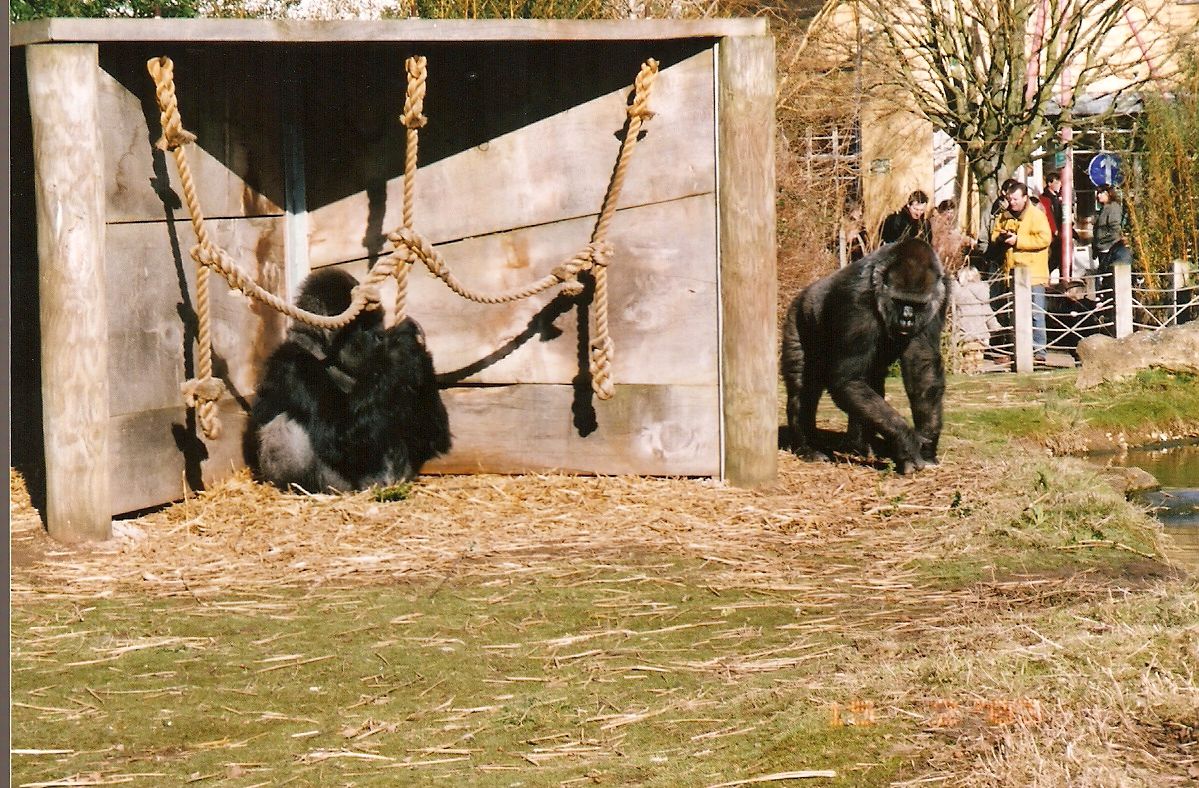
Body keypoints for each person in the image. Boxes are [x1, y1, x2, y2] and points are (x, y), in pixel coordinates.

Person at [991, 181, 1052, 362]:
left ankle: (1039, 351)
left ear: (1025, 198)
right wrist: (1001, 237)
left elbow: (1044, 239)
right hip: (1012, 271)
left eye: (1016, 199)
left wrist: (1018, 240)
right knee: (1013, 312)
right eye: (1010, 199)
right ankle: (1016, 348)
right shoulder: (1005, 215)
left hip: (1033, 273)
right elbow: (994, 234)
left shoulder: (1036, 216)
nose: (1012, 203)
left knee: (1036, 313)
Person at [952, 264, 1002, 372]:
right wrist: (994, 325)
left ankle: (969, 372)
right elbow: (988, 313)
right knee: (978, 355)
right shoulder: (983, 294)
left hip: (964, 331)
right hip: (981, 332)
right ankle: (977, 370)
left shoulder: (959, 292)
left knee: (968, 355)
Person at [1093, 184, 1132, 275]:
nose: (1098, 195)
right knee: (1103, 273)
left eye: (1101, 193)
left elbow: (1114, 228)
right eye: (1098, 193)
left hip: (1109, 247)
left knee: (1109, 273)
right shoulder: (1104, 208)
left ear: (1109, 194)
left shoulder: (1113, 207)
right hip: (1102, 247)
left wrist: (1103, 239)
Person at [931, 199, 972, 275]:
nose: (950, 215)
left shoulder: (948, 225)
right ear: (941, 212)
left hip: (949, 261)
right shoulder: (937, 224)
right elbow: (954, 237)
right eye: (948, 212)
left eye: (952, 213)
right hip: (941, 261)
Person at [837, 198, 868, 266]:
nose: (860, 213)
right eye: (858, 210)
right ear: (851, 212)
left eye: (861, 210)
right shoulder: (843, 232)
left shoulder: (862, 231)